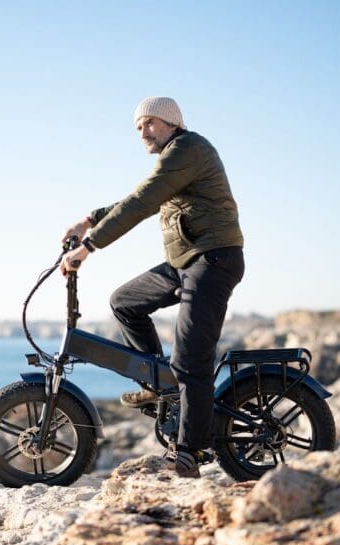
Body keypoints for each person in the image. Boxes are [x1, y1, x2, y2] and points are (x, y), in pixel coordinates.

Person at [60, 96, 245, 478]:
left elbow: (144, 200)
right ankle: (162, 386)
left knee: (191, 359)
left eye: (151, 123)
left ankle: (189, 452)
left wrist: (89, 247)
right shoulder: (174, 159)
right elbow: (140, 196)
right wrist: (89, 220)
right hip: (187, 261)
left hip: (213, 259)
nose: (144, 132)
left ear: (172, 123)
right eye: (138, 126)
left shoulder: (188, 149)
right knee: (125, 302)